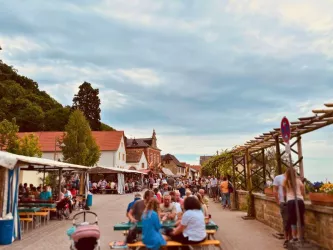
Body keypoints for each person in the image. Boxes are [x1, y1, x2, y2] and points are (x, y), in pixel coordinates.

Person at [283, 168, 305, 243]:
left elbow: (284, 193)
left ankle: (294, 236)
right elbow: (302, 189)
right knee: (301, 218)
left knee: (293, 219)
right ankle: (301, 236)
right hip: (299, 200)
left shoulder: (286, 182)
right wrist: (301, 195)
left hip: (291, 201)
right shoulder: (298, 180)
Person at [273, 171, 290, 247]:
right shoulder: (278, 177)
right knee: (286, 221)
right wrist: (278, 201)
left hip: (293, 202)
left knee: (293, 222)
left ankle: (292, 239)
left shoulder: (294, 178)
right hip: (284, 202)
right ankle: (286, 240)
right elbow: (275, 190)